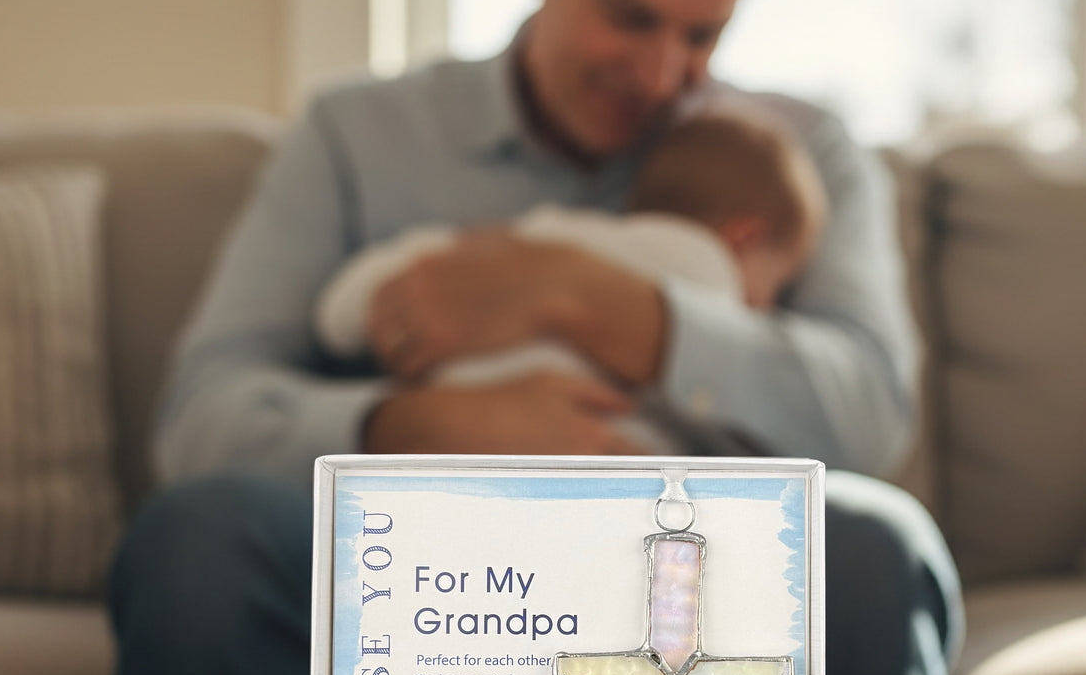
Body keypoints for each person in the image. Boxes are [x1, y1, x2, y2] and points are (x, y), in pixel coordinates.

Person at [110, 0, 964, 675]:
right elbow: (203, 417)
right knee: (200, 544)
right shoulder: (357, 135)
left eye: (703, 34)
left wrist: (595, 298)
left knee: (873, 549)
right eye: (630, 17)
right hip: (412, 557)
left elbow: (867, 412)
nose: (661, 74)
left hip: (694, 557)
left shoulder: (798, 160)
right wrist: (417, 426)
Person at [314, 111, 825, 455]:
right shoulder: (711, 274)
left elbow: (347, 308)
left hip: (451, 449)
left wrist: (368, 308)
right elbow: (727, 416)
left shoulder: (544, 233)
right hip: (589, 450)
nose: (766, 308)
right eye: (775, 286)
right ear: (744, 237)